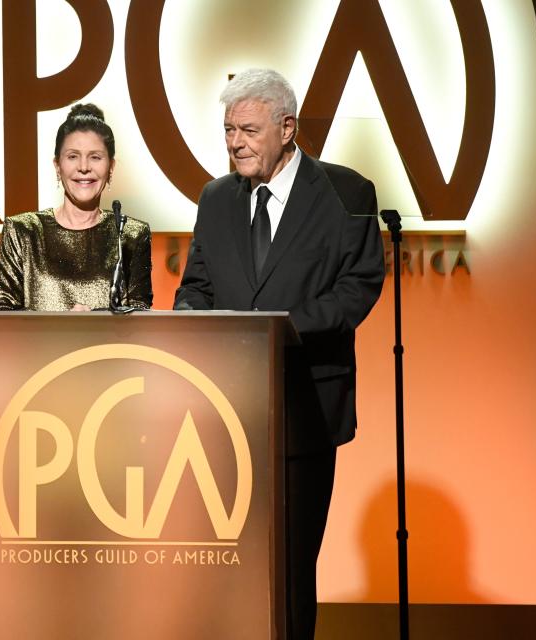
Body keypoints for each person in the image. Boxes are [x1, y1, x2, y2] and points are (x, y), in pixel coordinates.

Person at [174, 69, 385, 639]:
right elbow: (195, 286)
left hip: (305, 409)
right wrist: (193, 319)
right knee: (228, 569)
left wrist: (281, 328)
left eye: (247, 129)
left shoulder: (347, 193)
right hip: (227, 413)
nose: (235, 143)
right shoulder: (216, 198)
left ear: (287, 127)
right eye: (228, 131)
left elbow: (357, 287)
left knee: (291, 569)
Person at [0, 104, 153, 311]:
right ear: (57, 166)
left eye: (95, 157)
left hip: (111, 345)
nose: (84, 167)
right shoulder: (23, 232)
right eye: (73, 156)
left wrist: (92, 321)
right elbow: (1, 317)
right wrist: (63, 326)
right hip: (37, 344)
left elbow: (140, 318)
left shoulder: (130, 235)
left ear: (110, 167)